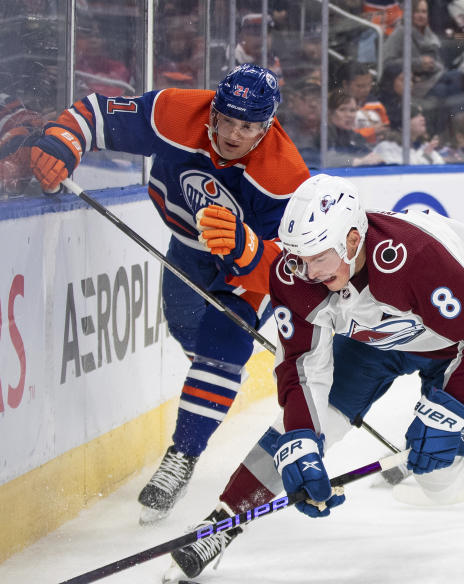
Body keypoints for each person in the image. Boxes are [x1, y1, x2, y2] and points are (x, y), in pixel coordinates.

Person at [167, 173, 464, 578]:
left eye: (319, 257)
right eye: (299, 257)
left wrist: (457, 407)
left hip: (453, 345)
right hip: (377, 341)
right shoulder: (296, 272)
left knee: (441, 485)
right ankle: (224, 520)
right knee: (294, 428)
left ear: (353, 240)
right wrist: (301, 442)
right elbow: (302, 367)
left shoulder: (418, 259)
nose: (308, 272)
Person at [28, 64, 310, 524]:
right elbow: (95, 113)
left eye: (249, 127)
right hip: (187, 247)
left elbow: (287, 263)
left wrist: (243, 249)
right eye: (227, 121)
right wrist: (64, 141)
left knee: (223, 346)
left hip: (246, 266)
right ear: (213, 111)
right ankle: (215, 376)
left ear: (268, 126)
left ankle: (183, 455)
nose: (234, 136)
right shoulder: (176, 111)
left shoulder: (284, 176)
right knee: (184, 328)